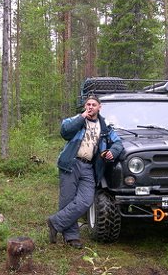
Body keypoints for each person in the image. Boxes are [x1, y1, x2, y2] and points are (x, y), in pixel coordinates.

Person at [47, 95, 123, 249]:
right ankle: (72, 237)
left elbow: (118, 142)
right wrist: (81, 118)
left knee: (86, 200)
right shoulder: (78, 119)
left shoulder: (104, 126)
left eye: (93, 104)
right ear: (85, 106)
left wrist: (112, 152)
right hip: (71, 163)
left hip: (89, 167)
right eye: (88, 104)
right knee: (67, 200)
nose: (90, 107)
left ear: (99, 107)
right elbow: (64, 132)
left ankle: (55, 222)